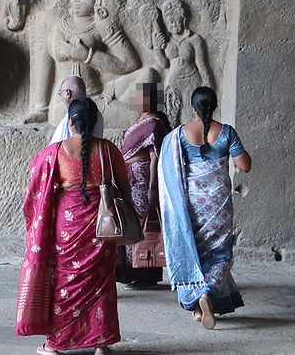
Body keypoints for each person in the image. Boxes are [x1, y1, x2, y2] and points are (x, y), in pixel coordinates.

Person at [16, 97, 128, 355]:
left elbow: (34, 178)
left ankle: (55, 343)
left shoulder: (55, 152)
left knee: (65, 281)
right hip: (102, 223)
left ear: (70, 123)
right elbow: (124, 184)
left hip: (67, 224)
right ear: (95, 122)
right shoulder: (108, 150)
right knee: (101, 283)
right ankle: (101, 343)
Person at [158, 86, 252, 330]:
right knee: (221, 254)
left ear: (193, 108)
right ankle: (207, 294)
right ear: (214, 106)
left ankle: (199, 303)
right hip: (219, 204)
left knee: (195, 251)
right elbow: (244, 165)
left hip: (192, 204)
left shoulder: (179, 135)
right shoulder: (226, 132)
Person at [117, 82, 171, 287]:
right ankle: (130, 272)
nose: (136, 101)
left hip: (142, 180)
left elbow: (155, 156)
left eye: (140, 97)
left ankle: (143, 273)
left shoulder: (154, 124)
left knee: (142, 225)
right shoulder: (142, 121)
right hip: (130, 178)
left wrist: (152, 187)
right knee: (130, 222)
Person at [48, 75, 104, 143]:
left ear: (67, 93)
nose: (61, 98)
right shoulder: (95, 112)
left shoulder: (75, 114)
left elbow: (64, 145)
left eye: (60, 93)